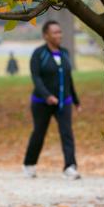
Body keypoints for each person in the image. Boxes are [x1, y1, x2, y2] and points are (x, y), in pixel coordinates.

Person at [22, 20, 81, 180]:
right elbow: (36, 78)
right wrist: (47, 96)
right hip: (41, 103)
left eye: (59, 32)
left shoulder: (65, 53)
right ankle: (29, 164)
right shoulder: (39, 54)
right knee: (39, 133)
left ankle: (70, 167)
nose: (59, 35)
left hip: (64, 102)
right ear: (46, 35)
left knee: (67, 133)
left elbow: (68, 78)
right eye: (55, 32)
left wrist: (76, 100)